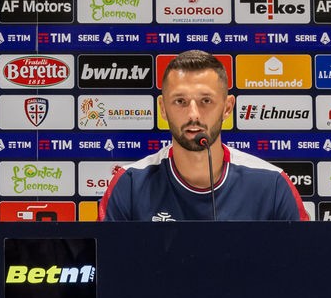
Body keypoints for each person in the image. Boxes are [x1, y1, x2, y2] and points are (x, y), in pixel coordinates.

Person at [99, 50, 308, 221]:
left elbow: (304, 258)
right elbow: (105, 260)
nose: (193, 114)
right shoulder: (130, 184)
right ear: (162, 108)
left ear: (227, 108)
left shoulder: (272, 184)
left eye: (206, 101)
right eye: (180, 101)